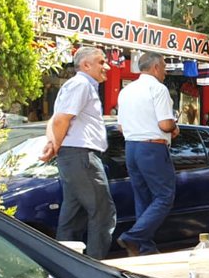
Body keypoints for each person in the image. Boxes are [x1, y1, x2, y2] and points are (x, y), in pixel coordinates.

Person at [38, 46, 116, 259]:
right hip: (81, 156)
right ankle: (95, 267)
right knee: (103, 213)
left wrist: (53, 144)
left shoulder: (77, 85)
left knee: (74, 216)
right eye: (101, 62)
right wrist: (54, 145)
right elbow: (60, 120)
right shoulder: (81, 84)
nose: (106, 67)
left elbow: (56, 119)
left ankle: (64, 264)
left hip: (75, 156)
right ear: (86, 65)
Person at [115, 53, 179, 256]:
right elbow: (165, 124)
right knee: (164, 196)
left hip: (131, 147)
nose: (166, 72)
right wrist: (174, 127)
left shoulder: (126, 90)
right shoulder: (158, 88)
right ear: (156, 67)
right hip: (152, 148)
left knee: (142, 197)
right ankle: (133, 237)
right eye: (165, 67)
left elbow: (120, 127)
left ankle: (145, 247)